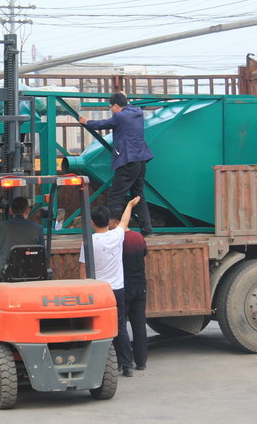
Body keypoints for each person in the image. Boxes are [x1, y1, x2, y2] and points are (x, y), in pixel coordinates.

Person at [79, 196, 140, 377]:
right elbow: (124, 220)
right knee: (120, 327)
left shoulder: (89, 241)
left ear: (92, 222)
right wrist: (129, 204)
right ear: (109, 222)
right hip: (117, 290)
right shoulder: (116, 235)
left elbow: (82, 267)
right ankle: (127, 365)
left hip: (98, 291)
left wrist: (84, 289)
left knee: (97, 328)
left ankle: (104, 364)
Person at [79, 92, 154, 236]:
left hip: (127, 160)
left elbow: (103, 124)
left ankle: (112, 229)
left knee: (115, 196)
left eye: (111, 107)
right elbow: (128, 106)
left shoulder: (119, 116)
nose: (111, 110)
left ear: (115, 106)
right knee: (138, 195)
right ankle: (147, 229)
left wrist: (86, 122)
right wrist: (124, 97)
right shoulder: (137, 112)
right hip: (141, 160)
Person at [109, 214, 148, 371]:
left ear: (118, 222)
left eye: (111, 222)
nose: (109, 225)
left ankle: (123, 361)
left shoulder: (117, 240)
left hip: (123, 284)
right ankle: (141, 361)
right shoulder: (138, 237)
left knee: (121, 324)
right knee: (139, 323)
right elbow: (144, 253)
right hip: (140, 283)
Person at [0, 196, 44, 280]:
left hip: (4, 274)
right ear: (28, 211)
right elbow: (42, 253)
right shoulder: (37, 229)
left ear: (10, 210)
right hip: (31, 273)